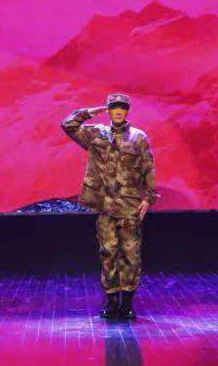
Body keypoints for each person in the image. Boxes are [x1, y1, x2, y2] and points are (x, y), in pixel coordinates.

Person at [62, 93, 159, 321]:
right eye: (114, 107)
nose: (118, 111)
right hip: (105, 205)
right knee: (108, 253)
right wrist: (91, 112)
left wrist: (149, 198)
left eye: (122, 108)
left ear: (127, 111)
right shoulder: (96, 133)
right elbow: (68, 125)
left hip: (130, 206)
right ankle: (112, 301)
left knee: (131, 255)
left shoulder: (138, 137)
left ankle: (128, 303)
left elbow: (148, 168)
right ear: (109, 110)